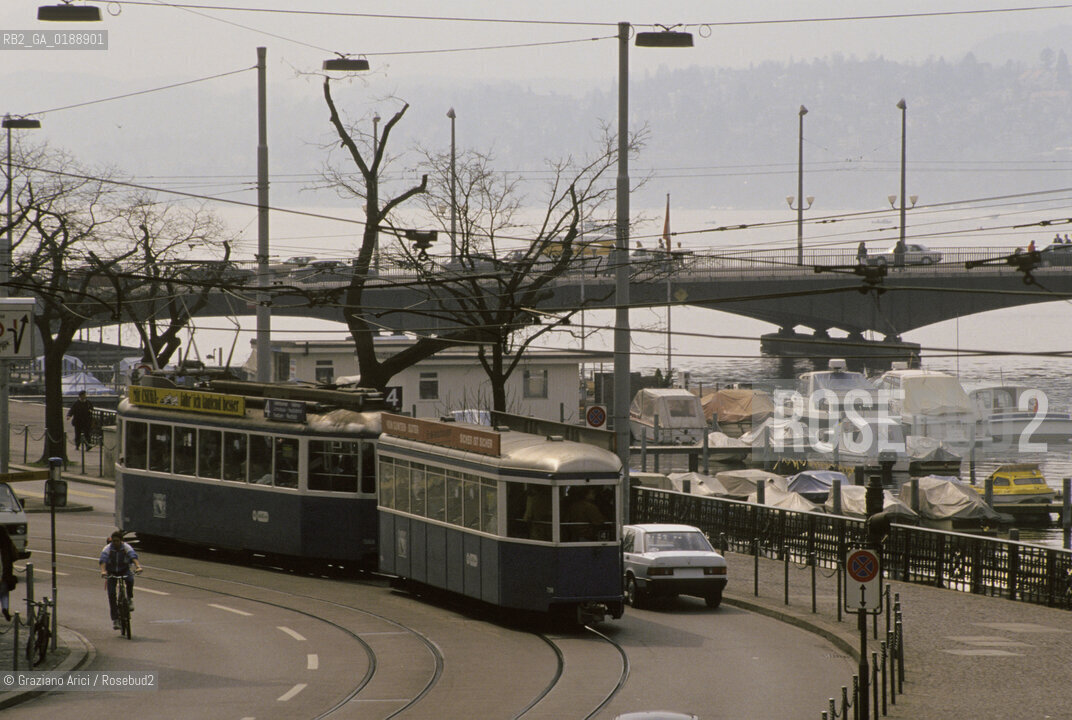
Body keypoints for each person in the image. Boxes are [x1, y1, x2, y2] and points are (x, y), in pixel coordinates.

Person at [99, 531, 143, 630]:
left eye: (117, 541)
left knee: (130, 579)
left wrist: (138, 566)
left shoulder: (126, 547)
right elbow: (103, 559)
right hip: (111, 572)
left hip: (124, 570)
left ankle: (129, 599)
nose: (115, 543)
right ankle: (115, 619)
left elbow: (133, 556)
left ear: (121, 541)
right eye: (113, 541)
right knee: (111, 595)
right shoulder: (108, 548)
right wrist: (103, 571)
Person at [0, 526, 16, 622]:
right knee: (5, 592)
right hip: (6, 569)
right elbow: (14, 555)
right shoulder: (7, 542)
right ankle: (5, 608)